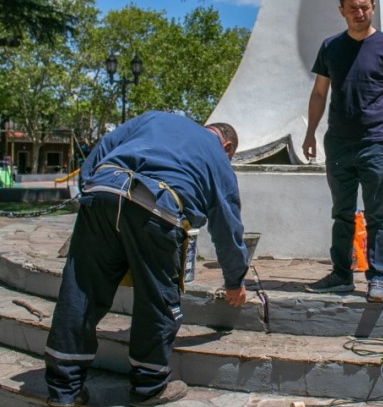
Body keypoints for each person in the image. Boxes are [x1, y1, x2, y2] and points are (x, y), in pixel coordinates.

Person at [44, 111, 249, 406]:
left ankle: (64, 391)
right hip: (157, 208)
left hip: (103, 188)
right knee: (157, 299)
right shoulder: (218, 158)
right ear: (227, 147)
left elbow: (104, 145)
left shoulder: (156, 118)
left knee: (80, 292)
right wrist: (235, 281)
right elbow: (227, 228)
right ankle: (148, 387)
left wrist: (89, 193)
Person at [302, 0, 383, 303]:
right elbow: (319, 92)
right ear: (342, 11)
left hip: (376, 142)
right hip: (337, 144)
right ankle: (340, 274)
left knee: (377, 215)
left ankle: (377, 278)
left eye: (364, 6)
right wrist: (310, 132)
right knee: (342, 212)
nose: (359, 12)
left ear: (373, 8)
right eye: (352, 8)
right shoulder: (330, 47)